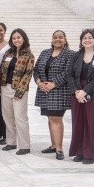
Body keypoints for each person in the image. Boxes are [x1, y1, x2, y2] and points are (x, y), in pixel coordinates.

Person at [68, 29, 94, 164]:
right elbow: (70, 76)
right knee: (78, 123)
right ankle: (79, 151)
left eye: (90, 37)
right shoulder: (76, 55)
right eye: (84, 38)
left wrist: (85, 91)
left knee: (92, 124)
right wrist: (77, 92)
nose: (87, 40)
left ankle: (90, 153)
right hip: (77, 93)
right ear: (81, 41)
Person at [34, 30, 74, 160]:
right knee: (50, 118)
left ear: (65, 39)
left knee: (56, 118)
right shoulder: (45, 53)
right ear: (51, 39)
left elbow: (68, 72)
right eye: (55, 37)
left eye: (60, 37)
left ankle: (59, 148)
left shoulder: (70, 54)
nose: (57, 39)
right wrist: (39, 82)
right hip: (44, 91)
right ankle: (53, 145)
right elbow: (36, 70)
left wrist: (53, 83)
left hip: (59, 91)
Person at [0, 29, 35, 155]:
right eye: (14, 38)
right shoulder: (8, 53)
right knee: (7, 117)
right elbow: (1, 71)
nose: (16, 40)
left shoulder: (28, 55)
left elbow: (28, 74)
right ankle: (11, 142)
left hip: (19, 90)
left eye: (18, 37)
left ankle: (25, 145)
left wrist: (19, 92)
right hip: (5, 88)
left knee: (20, 117)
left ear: (23, 38)